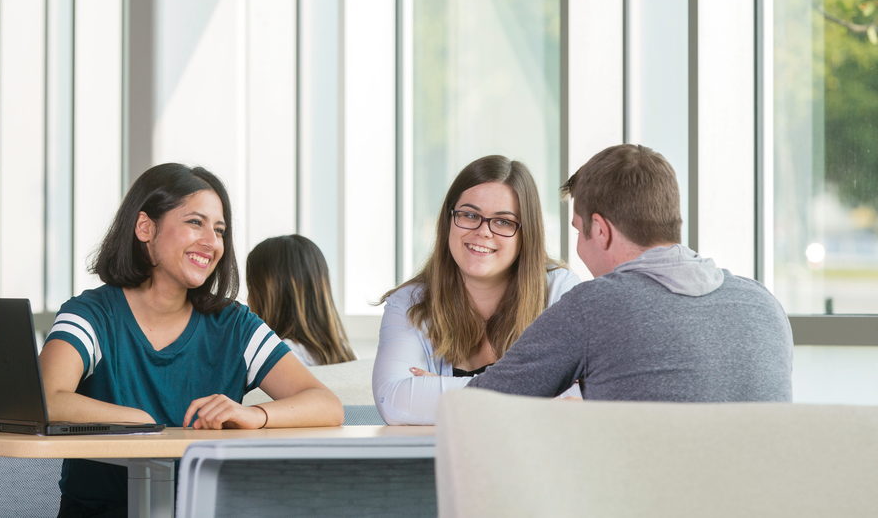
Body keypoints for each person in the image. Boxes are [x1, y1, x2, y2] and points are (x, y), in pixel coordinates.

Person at [40, 163, 343, 517]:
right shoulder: (91, 314)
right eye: (195, 222)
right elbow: (46, 399)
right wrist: (142, 422)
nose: (212, 242)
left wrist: (254, 415)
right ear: (145, 228)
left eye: (219, 230)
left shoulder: (234, 325)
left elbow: (326, 404)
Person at [468, 144, 793, 402]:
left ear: (601, 230)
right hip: (763, 486)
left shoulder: (592, 307)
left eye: (579, 232)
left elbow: (479, 406)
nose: (579, 248)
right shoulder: (764, 304)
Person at [372, 155, 580, 425]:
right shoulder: (409, 302)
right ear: (449, 221)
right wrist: (538, 394)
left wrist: (446, 390)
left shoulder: (560, 291)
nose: (483, 232)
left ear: (525, 233)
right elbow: (395, 400)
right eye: (470, 215)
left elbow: (584, 397)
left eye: (503, 221)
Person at [246, 234, 356, 366]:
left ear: (266, 295)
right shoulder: (348, 354)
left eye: (251, 288)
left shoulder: (276, 357)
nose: (248, 299)